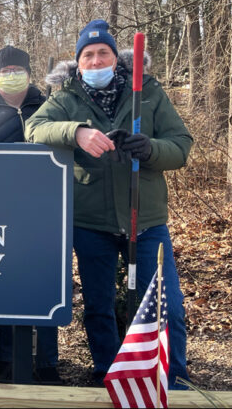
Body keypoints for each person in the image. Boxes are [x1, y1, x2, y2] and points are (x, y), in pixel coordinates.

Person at [25, 20, 192, 388]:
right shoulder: (66, 97)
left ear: (117, 58)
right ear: (78, 61)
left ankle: (174, 376)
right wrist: (76, 132)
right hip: (91, 222)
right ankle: (108, 371)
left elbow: (180, 144)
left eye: (104, 53)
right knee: (99, 306)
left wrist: (149, 148)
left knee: (167, 305)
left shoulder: (145, 92)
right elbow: (34, 129)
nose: (97, 61)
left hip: (145, 219)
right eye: (88, 55)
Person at [0, 45, 60, 384]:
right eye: (5, 71)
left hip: (43, 211)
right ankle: (5, 359)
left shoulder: (47, 106)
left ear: (29, 73)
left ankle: (47, 363)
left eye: (19, 70)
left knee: (45, 285)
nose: (12, 75)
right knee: (6, 283)